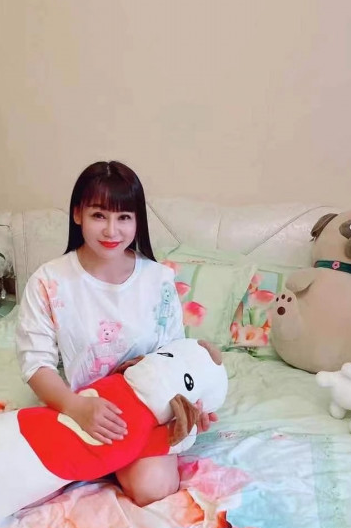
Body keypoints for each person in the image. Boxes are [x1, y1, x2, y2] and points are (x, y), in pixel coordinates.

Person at [15, 160, 214, 505]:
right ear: (78, 214)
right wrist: (75, 407)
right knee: (20, 491)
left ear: (137, 221)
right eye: (99, 215)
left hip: (146, 411)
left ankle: (113, 461)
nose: (111, 231)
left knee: (152, 489)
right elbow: (36, 364)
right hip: (78, 407)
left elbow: (175, 354)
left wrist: (192, 406)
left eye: (124, 217)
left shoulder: (158, 280)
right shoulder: (48, 280)